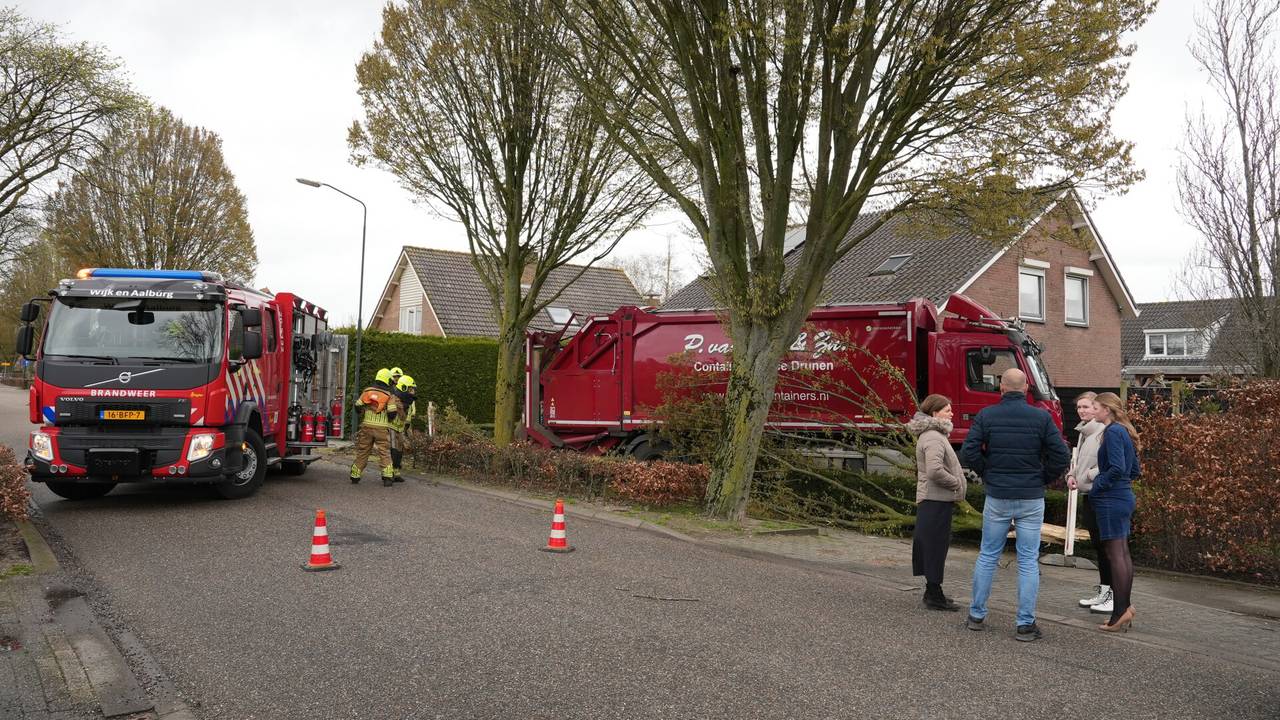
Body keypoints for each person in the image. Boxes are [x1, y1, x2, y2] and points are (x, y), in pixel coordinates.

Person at [961, 368, 1071, 642]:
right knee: (1027, 560)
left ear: (1001, 388)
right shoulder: (1041, 417)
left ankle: (976, 615)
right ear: (1025, 389)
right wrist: (1041, 478)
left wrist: (988, 473)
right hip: (1031, 497)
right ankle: (1024, 623)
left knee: (988, 555)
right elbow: (1061, 455)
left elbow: (969, 452)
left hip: (997, 495)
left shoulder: (987, 415)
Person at [909, 394, 967, 611]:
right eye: (947, 410)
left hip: (935, 500)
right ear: (935, 413)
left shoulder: (932, 434)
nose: (952, 413)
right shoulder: (934, 436)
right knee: (934, 547)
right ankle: (934, 596)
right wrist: (956, 484)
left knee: (933, 546)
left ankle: (933, 591)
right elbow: (934, 471)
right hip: (936, 500)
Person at [1090, 391, 1141, 632]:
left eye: (1096, 407)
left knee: (1115, 555)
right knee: (1122, 553)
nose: (1093, 411)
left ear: (1107, 410)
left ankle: (1119, 612)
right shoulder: (1124, 431)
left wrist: (1098, 484)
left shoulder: (1112, 432)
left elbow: (1119, 468)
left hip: (1111, 499)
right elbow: (1134, 470)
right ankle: (1124, 608)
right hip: (1122, 495)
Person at [1066, 391, 1112, 613]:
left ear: (1097, 408)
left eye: (1087, 407)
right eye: (1079, 407)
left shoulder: (1104, 432)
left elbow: (1107, 464)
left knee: (1107, 548)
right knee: (1098, 547)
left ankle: (1112, 596)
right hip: (1089, 495)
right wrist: (1071, 475)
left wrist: (1085, 477)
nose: (1082, 411)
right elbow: (1081, 462)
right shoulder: (1084, 432)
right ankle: (1104, 592)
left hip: (1101, 496)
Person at [350, 368, 402, 487]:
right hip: (382, 429)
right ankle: (388, 477)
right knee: (384, 452)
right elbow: (392, 412)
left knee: (363, 450)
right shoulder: (389, 395)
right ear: (387, 380)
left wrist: (364, 412)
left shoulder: (367, 391)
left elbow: (357, 405)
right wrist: (387, 419)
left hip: (366, 427)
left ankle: (355, 475)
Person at [388, 374, 417, 483]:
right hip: (391, 428)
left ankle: (396, 473)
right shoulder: (394, 399)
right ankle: (388, 474)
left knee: (399, 452)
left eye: (413, 390)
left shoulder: (408, 403)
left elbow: (407, 416)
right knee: (393, 452)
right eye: (410, 390)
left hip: (400, 429)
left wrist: (407, 425)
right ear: (403, 388)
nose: (412, 392)